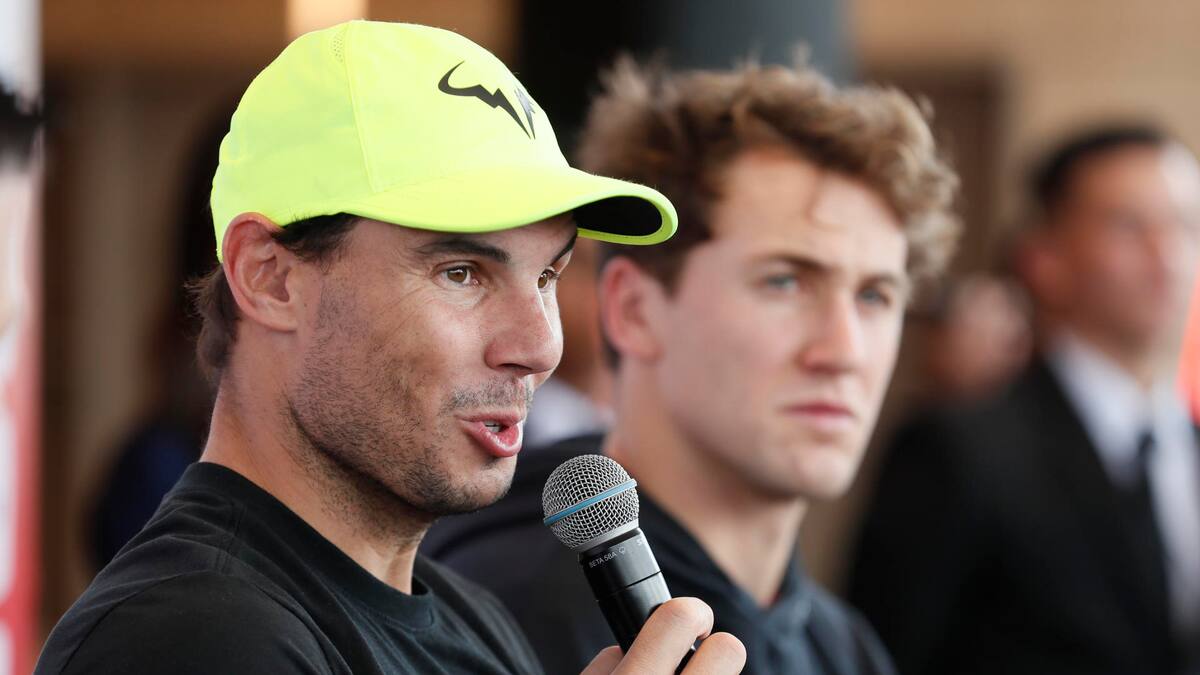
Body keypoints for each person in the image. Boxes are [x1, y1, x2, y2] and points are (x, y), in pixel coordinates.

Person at [34, 21, 745, 675]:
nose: (540, 345)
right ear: (269, 277)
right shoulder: (192, 636)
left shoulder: (476, 621)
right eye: (462, 272)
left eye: (547, 276)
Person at [423, 56, 960, 674]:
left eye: (875, 296)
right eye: (784, 281)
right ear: (633, 309)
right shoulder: (498, 619)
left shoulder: (846, 647)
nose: (845, 351)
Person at [848, 125, 1200, 675]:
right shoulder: (959, 449)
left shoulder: (1187, 445)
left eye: (1186, 223)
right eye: (1128, 225)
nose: (1168, 254)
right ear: (1045, 257)